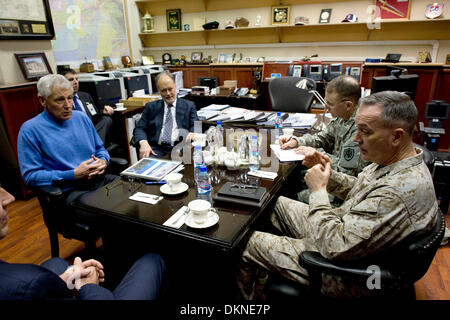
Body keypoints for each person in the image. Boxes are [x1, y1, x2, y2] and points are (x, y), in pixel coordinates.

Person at [237, 91, 440, 298]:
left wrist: (318, 191)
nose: (356, 138)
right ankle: (261, 278)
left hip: (348, 274)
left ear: (397, 136)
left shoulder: (397, 192)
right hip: (344, 231)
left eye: (365, 131)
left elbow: (334, 246)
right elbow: (359, 189)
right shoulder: (395, 162)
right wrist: (328, 175)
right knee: (271, 203)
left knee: (243, 243)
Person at [0, 186, 167, 300]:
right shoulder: (31, 283)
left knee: (56, 262)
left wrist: (65, 278)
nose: (9, 198)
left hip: (98, 183)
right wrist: (89, 287)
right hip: (71, 194)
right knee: (152, 260)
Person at [17, 74, 117, 228]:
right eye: (59, 100)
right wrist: (73, 174)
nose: (68, 105)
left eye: (70, 98)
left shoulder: (81, 118)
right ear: (42, 100)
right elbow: (30, 176)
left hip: (99, 180)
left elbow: (100, 149)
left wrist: (103, 161)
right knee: (115, 215)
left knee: (137, 197)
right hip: (69, 192)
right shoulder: (30, 130)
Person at [279, 75, 369, 204]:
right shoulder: (342, 116)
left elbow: (346, 171)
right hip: (332, 177)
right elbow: (323, 137)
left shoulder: (359, 129)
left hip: (343, 191)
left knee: (290, 193)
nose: (326, 108)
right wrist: (297, 141)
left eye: (330, 104)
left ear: (348, 105)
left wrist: (316, 153)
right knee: (295, 178)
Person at [133, 70, 198, 158]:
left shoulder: (189, 106)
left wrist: (193, 133)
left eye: (170, 89)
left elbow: (197, 126)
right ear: (159, 91)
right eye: (163, 90)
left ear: (175, 86)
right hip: (156, 150)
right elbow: (140, 128)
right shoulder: (151, 107)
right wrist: (143, 142)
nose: (168, 93)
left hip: (181, 148)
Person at [61, 69, 115, 146]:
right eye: (71, 80)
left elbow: (94, 115)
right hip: (78, 130)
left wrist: (103, 112)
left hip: (92, 129)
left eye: (77, 79)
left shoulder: (85, 96)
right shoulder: (63, 101)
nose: (75, 82)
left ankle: (94, 144)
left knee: (106, 119)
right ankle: (96, 145)